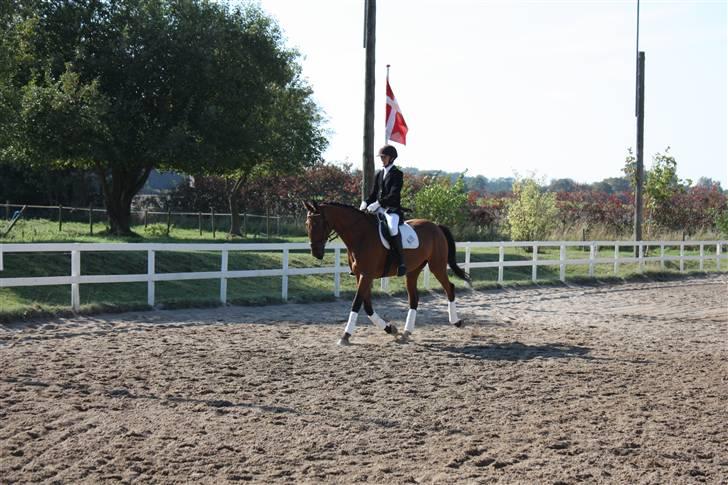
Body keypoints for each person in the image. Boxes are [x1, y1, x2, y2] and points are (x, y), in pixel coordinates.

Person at [360, 144, 407, 276]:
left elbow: (394, 195)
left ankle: (401, 262)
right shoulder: (380, 174)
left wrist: (378, 203)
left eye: (384, 157)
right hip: (379, 209)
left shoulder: (397, 174)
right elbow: (374, 193)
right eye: (381, 157)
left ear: (391, 158)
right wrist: (365, 202)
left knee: (392, 228)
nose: (381, 159)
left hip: (392, 210)